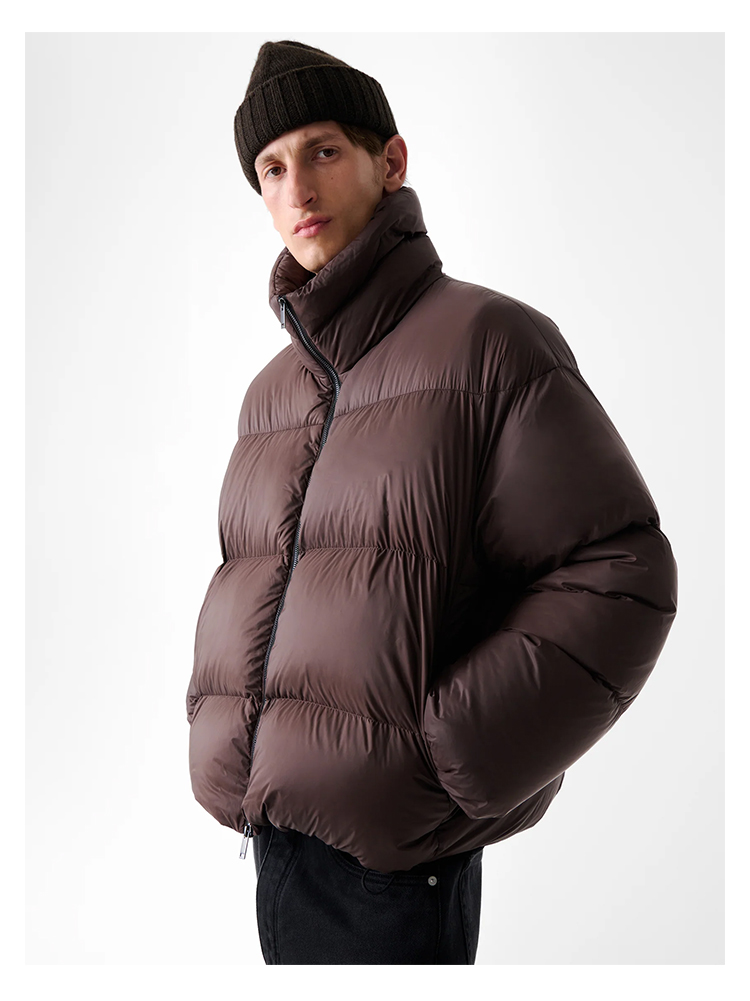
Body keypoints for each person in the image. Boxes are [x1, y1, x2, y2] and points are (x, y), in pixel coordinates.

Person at [185, 39, 678, 965]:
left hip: (394, 866)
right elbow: (259, 579)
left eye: (323, 150)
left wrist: (449, 754)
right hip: (277, 843)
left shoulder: (491, 343)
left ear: (391, 160)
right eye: (272, 168)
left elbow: (622, 569)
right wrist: (221, 729)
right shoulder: (270, 394)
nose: (298, 188)